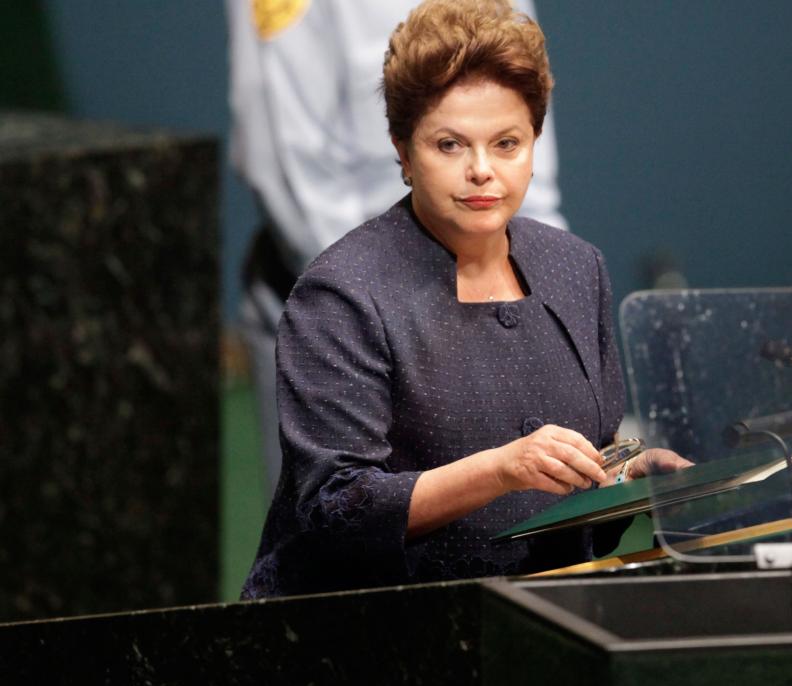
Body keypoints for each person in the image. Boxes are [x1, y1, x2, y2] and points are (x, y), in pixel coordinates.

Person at [242, 0, 688, 599]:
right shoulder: (341, 293)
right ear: (403, 151)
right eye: (450, 145)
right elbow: (337, 508)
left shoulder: (577, 267)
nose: (482, 170)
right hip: (373, 627)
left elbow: (589, 466)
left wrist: (628, 477)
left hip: (543, 615)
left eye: (507, 144)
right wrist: (500, 470)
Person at [227, 0, 568, 493]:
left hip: (487, 299)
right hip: (348, 316)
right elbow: (292, 171)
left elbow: (527, 154)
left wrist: (540, 311)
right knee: (350, 526)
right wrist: (403, 323)